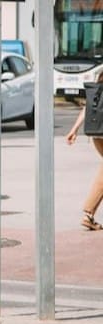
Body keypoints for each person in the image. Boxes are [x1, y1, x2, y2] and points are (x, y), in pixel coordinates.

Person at [64, 71, 103, 231]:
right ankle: (88, 213)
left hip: (97, 133)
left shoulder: (99, 81)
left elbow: (89, 106)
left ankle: (89, 214)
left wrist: (74, 130)